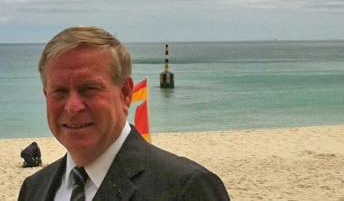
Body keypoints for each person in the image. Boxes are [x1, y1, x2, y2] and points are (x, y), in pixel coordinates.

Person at [18, 26, 230, 200]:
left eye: (89, 89)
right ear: (46, 95)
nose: (73, 107)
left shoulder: (185, 188)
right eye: (60, 91)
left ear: (125, 93)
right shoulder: (34, 189)